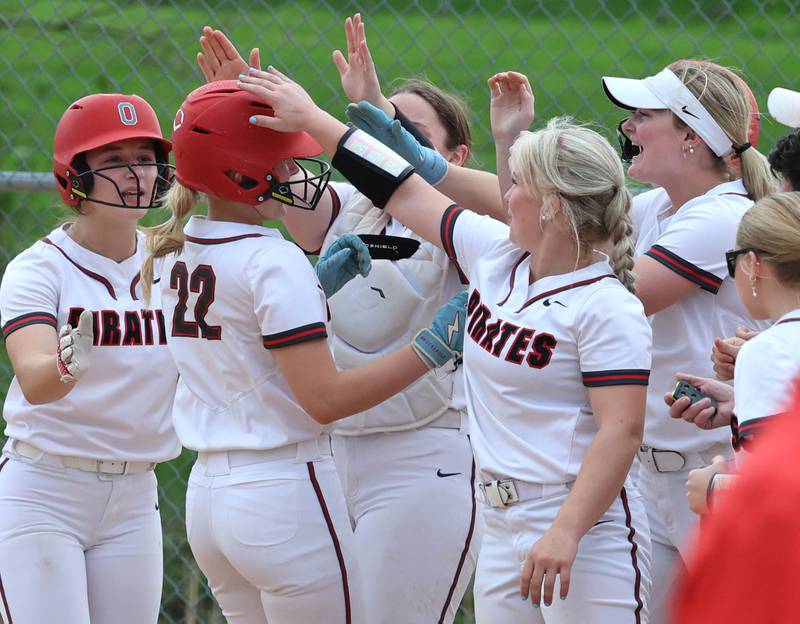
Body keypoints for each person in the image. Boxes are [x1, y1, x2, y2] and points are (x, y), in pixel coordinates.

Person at [239, 66, 653, 623]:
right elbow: (403, 188)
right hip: (503, 520)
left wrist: (566, 531)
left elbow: (621, 430)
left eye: (520, 186)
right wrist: (313, 119)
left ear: (552, 207)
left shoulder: (606, 305)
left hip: (582, 527)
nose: (505, 195)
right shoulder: (497, 258)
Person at [140, 79, 467, 624]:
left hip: (210, 500)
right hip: (283, 492)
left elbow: (246, 335)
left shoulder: (174, 252)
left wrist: (313, 288)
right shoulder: (273, 259)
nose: (297, 173)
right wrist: (429, 350)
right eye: (283, 164)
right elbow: (325, 400)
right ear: (239, 173)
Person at [599, 59, 777, 623]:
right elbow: (533, 226)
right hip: (654, 474)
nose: (628, 127)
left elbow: (618, 300)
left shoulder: (721, 216)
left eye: (643, 115)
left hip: (713, 469)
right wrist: (503, 148)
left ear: (691, 137)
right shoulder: (658, 207)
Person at [0, 93, 179, 624]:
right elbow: (33, 378)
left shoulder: (176, 262)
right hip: (44, 491)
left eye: (145, 158)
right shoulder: (40, 270)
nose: (135, 175)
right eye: (113, 160)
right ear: (74, 176)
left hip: (134, 496)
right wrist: (63, 365)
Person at [664, 192, 800, 513]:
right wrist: (740, 401)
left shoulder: (767, 351)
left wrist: (715, 488)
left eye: (733, 260)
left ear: (753, 264)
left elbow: (776, 493)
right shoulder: (768, 348)